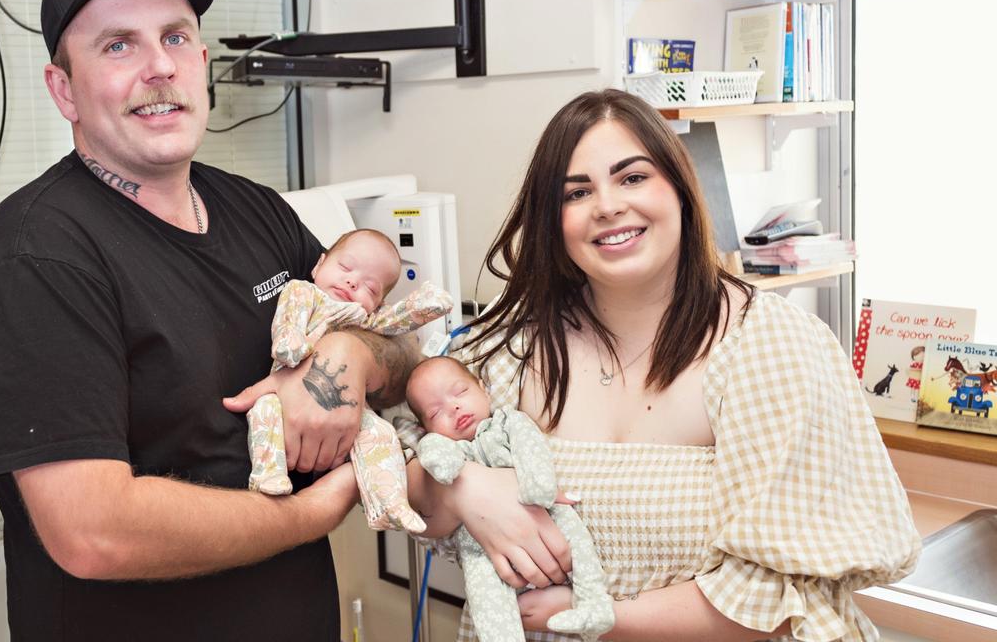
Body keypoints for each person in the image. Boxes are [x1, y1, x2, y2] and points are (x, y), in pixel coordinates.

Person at [0, 0, 416, 640]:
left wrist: (345, 360)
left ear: (202, 62)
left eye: (174, 37)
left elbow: (400, 356)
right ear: (63, 90)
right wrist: (309, 515)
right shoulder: (36, 261)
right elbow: (95, 532)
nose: (157, 68)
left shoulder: (255, 208)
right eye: (117, 46)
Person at [403, 88, 920, 641]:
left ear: (679, 188)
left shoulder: (772, 346)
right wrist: (462, 487)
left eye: (632, 178)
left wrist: (590, 614)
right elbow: (410, 495)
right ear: (554, 221)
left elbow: (788, 598)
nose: (607, 206)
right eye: (577, 192)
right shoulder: (511, 350)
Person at [248, 228, 452, 535]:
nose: (353, 282)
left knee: (381, 434)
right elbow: (289, 316)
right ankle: (268, 475)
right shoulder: (303, 292)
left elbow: (394, 321)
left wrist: (422, 307)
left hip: (346, 410)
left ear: (377, 304)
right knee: (263, 411)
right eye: (345, 268)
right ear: (318, 266)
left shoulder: (361, 317)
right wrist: (289, 341)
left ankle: (390, 502)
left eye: (370, 288)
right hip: (282, 390)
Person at [405, 356, 614, 642]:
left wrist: (539, 487)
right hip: (479, 543)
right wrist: (435, 452)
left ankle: (594, 605)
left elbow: (532, 450)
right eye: (435, 412)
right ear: (426, 428)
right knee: (484, 593)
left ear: (483, 389)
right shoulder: (447, 446)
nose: (453, 407)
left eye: (461, 392)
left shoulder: (507, 422)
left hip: (543, 508)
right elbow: (432, 457)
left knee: (577, 539)